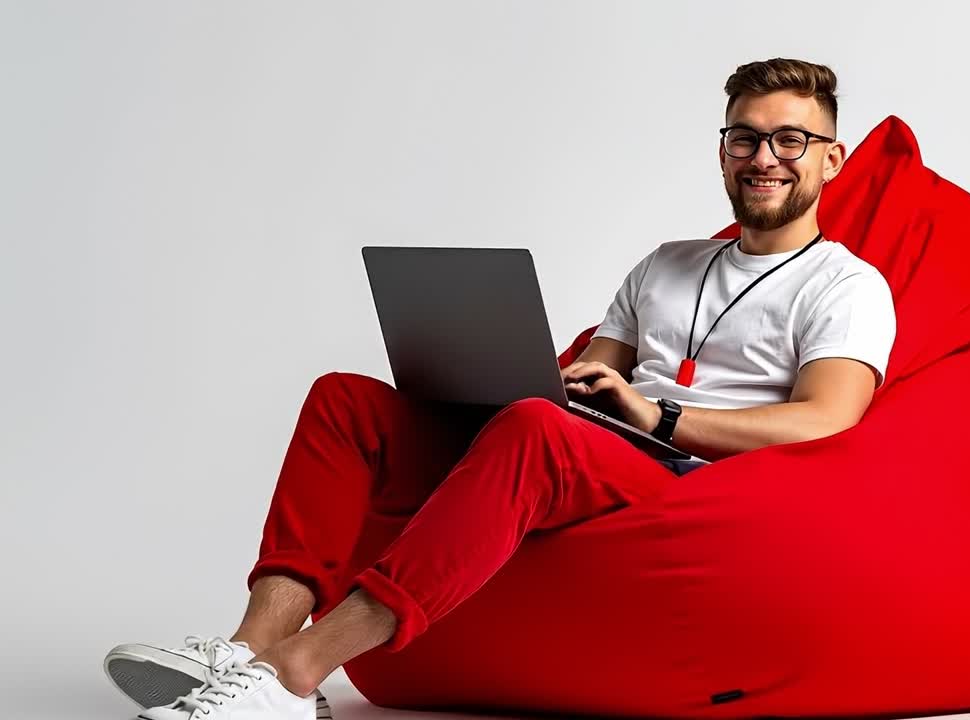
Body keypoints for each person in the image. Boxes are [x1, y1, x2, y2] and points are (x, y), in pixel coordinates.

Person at [103, 57, 897, 720]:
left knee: (535, 429)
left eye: (791, 139)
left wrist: (658, 414)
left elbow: (824, 421)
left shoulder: (846, 286)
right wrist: (525, 378)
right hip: (595, 445)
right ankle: (246, 650)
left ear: (831, 158)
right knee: (347, 400)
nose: (764, 157)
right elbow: (595, 377)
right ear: (721, 149)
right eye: (745, 137)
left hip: (686, 480)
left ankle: (293, 676)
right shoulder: (666, 263)